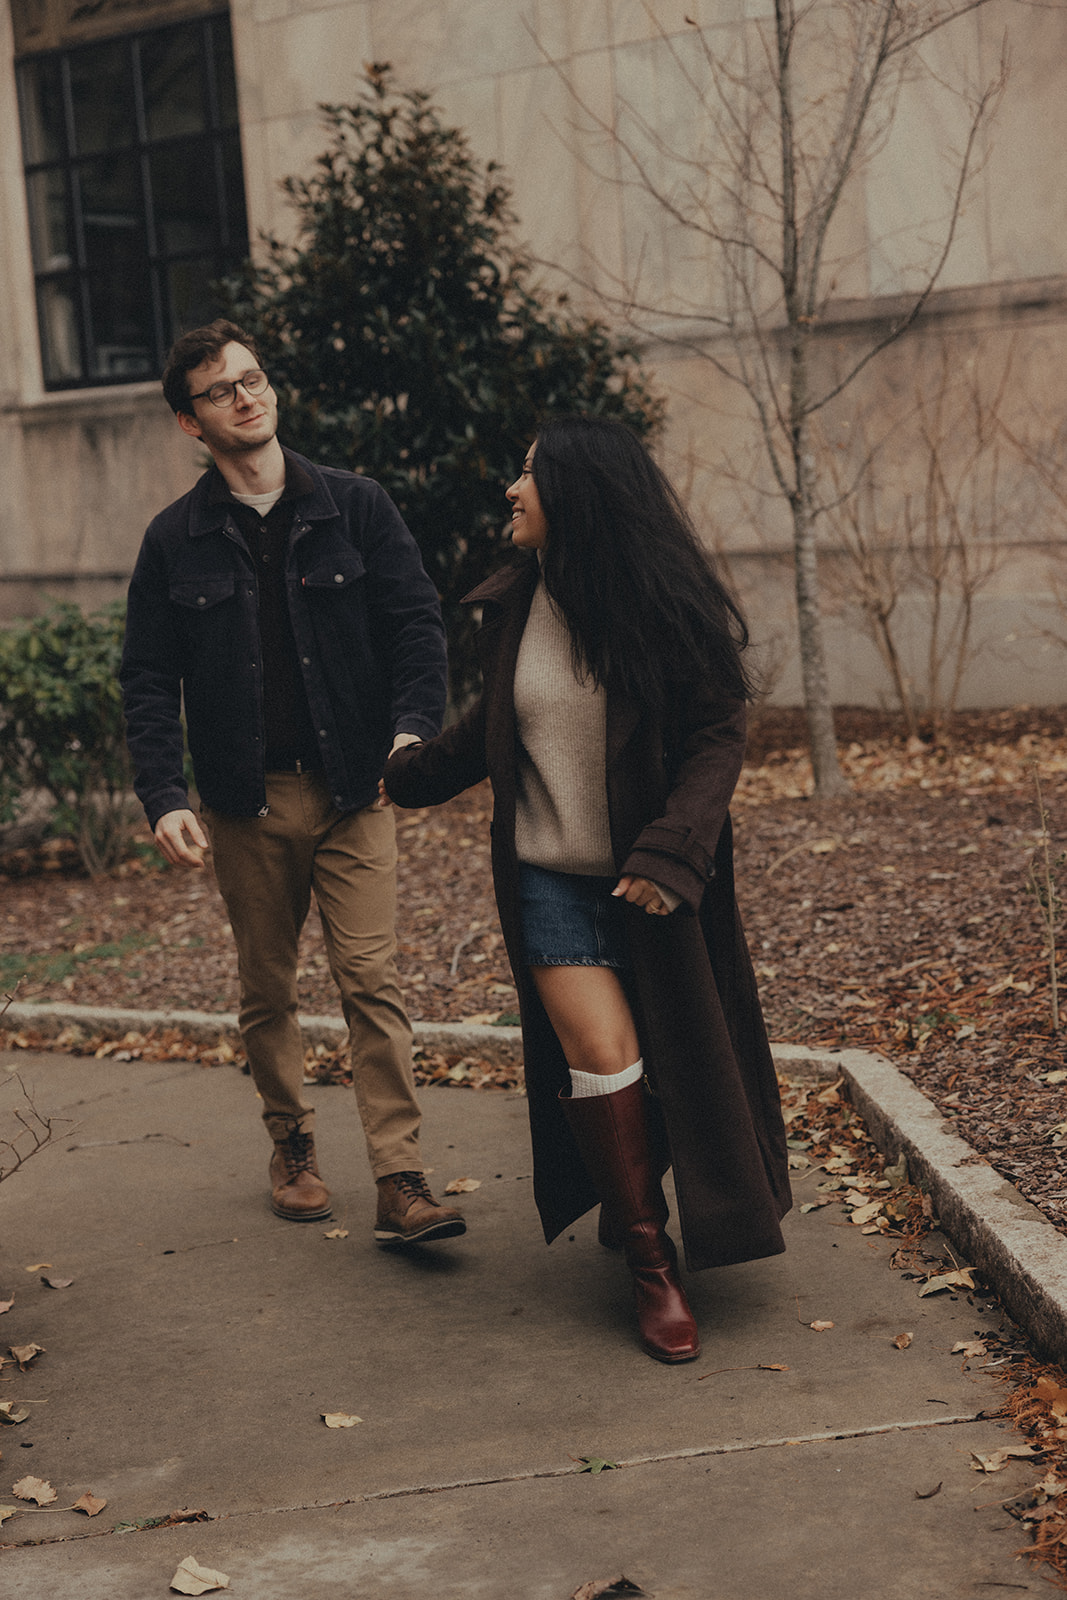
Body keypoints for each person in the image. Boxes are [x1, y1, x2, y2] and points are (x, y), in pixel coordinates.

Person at [383, 415, 790, 1362]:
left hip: (648, 885)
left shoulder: (657, 606)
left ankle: (641, 1195)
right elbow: (499, 723)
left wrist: (671, 852)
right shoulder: (519, 604)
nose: (512, 493)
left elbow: (716, 734)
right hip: (549, 887)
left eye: (526, 476)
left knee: (678, 1060)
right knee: (603, 1053)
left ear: (575, 495)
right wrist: (407, 772)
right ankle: (651, 1261)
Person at [120, 319, 465, 1248]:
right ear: (191, 423)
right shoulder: (175, 540)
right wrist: (165, 793)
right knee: (267, 987)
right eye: (222, 389)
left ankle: (400, 1177)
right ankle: (292, 1145)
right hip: (247, 800)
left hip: (358, 790)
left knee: (370, 979)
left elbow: (416, 626)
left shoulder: (354, 506)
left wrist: (411, 732)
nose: (247, 395)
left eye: (254, 378)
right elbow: (148, 676)